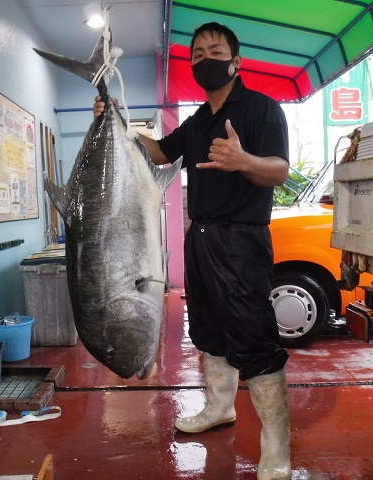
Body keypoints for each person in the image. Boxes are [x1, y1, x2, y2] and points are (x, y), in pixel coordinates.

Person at [94, 22, 291, 480]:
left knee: (255, 341)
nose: (205, 59)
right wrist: (116, 121)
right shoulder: (199, 120)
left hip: (242, 241)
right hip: (199, 238)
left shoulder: (262, 109)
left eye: (215, 50)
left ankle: (277, 449)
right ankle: (219, 409)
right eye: (197, 54)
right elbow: (160, 153)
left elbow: (280, 170)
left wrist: (243, 161)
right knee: (208, 332)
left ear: (236, 61)